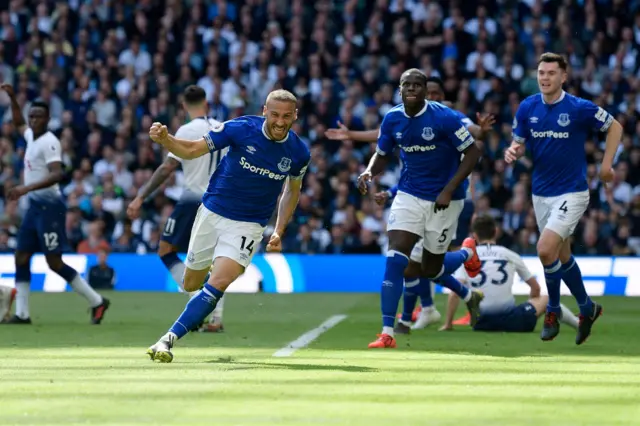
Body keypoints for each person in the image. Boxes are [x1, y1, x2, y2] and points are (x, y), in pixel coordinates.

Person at [145, 89, 310, 362]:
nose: (281, 122)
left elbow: (292, 190)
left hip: (249, 226)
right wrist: (166, 139)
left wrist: (279, 230)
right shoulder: (241, 128)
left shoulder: (298, 152)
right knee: (191, 282)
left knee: (218, 282)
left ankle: (166, 340)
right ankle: (206, 291)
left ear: (295, 116)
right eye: (275, 115)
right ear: (264, 111)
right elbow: (192, 149)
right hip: (213, 213)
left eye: (287, 116)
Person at [329, 77, 495, 332]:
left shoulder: (449, 117)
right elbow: (384, 144)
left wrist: (449, 188)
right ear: (400, 89)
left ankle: (466, 255)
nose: (415, 91)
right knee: (398, 258)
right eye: (407, 85)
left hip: (448, 198)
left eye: (423, 88)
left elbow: (475, 141)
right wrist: (369, 172)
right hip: (410, 194)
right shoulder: (394, 117)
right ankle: (394, 327)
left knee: (429, 268)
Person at [505, 53, 623, 344]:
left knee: (545, 250)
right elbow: (518, 143)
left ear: (563, 77)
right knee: (561, 255)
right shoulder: (527, 107)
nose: (544, 78)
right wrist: (512, 151)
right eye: (541, 73)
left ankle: (554, 310)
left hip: (572, 191)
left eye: (551, 73)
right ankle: (587, 307)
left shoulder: (578, 108)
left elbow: (615, 127)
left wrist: (606, 165)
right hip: (541, 192)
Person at [0, 83, 110, 324]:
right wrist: (13, 98)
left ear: (48, 119)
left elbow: (57, 173)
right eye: (32, 115)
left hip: (50, 207)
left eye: (38, 116)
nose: (33, 120)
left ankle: (97, 301)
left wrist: (25, 188)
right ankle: (22, 313)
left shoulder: (50, 142)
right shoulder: (30, 136)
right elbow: (19, 123)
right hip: (34, 209)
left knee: (54, 262)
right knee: (21, 256)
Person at [127, 85, 229, 333]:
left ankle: (197, 299)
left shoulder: (186, 130)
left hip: (192, 199)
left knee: (166, 249)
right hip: (219, 201)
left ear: (183, 106)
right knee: (214, 260)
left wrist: (141, 196)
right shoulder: (222, 128)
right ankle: (215, 317)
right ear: (206, 103)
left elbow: (167, 168)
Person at [440, 215, 579, 333]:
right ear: (496, 232)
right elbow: (535, 288)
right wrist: (531, 307)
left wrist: (448, 324)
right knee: (547, 299)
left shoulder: (468, 256)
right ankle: (578, 324)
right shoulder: (509, 254)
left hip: (480, 323)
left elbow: (454, 293)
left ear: (474, 236)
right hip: (514, 320)